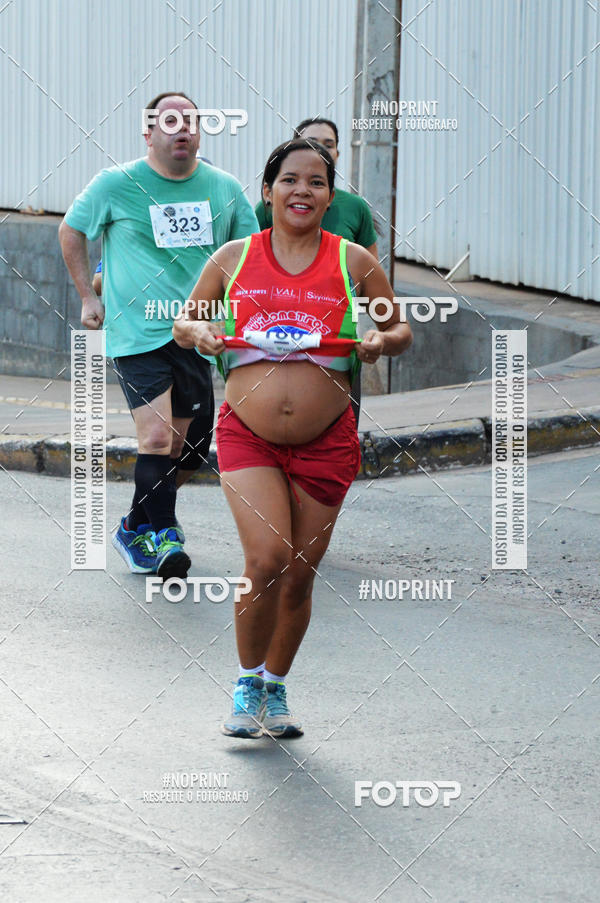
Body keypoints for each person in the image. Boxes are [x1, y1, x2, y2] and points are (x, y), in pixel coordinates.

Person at [173, 139, 412, 738]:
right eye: (289, 180)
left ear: (331, 197)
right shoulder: (233, 256)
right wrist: (200, 333)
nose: (302, 190)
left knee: (300, 572)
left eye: (316, 182)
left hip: (327, 440)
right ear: (268, 190)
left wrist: (380, 343)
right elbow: (185, 319)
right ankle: (245, 680)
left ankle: (276, 690)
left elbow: (399, 327)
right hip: (248, 434)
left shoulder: (353, 261)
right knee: (266, 558)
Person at [59, 92, 258, 579]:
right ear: (148, 134)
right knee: (156, 437)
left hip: (196, 334)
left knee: (187, 453)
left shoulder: (224, 187)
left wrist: (246, 318)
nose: (181, 129)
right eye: (169, 121)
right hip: (137, 331)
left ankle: (133, 525)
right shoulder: (117, 184)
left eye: (190, 121)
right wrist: (89, 297)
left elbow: (252, 255)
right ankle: (165, 536)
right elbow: (71, 230)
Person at [256, 117, 378, 424]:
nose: (319, 150)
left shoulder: (355, 209)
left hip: (336, 341)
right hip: (274, 339)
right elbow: (247, 266)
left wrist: (330, 296)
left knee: (339, 429)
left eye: (328, 145)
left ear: (337, 155)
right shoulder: (267, 209)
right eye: (310, 143)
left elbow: (371, 278)